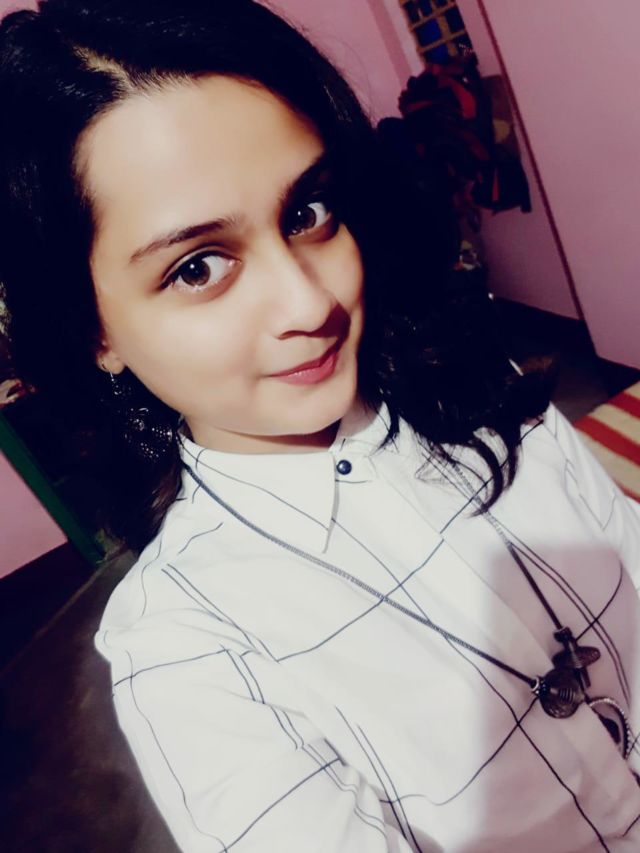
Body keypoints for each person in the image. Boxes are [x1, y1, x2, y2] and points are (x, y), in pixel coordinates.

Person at [1, 1, 639, 850]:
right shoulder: (189, 651)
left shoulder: (490, 398)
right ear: (94, 332)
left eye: (306, 212)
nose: (311, 302)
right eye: (198, 267)